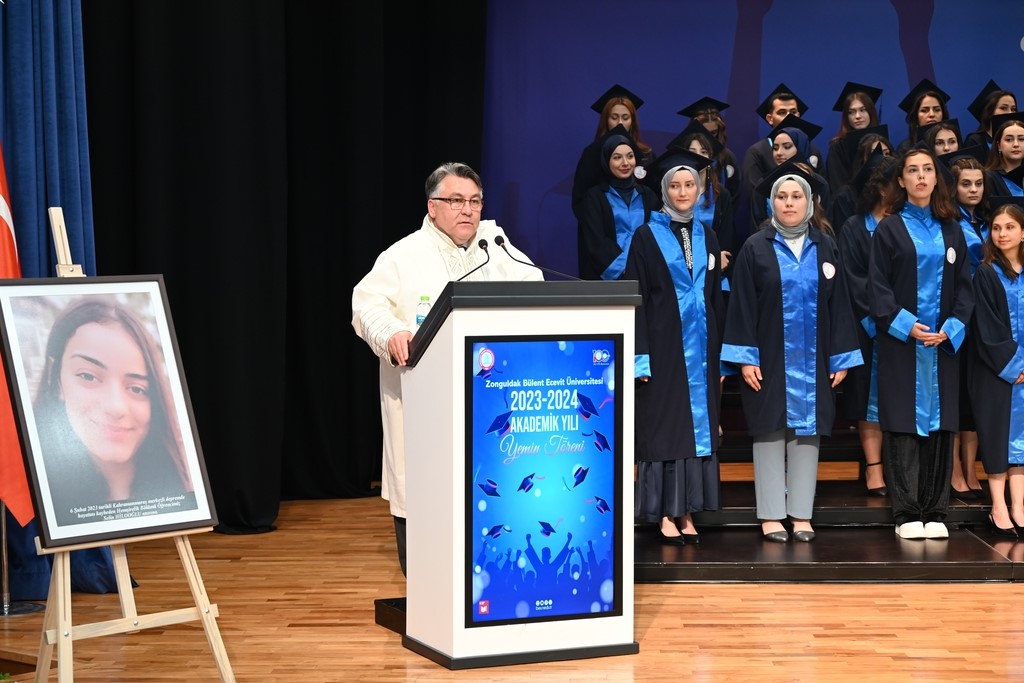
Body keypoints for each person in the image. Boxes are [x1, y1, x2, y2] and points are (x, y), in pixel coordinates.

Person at [351, 162, 543, 576]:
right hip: (426, 408)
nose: (467, 210)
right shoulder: (403, 256)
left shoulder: (496, 247)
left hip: (490, 407)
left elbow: (538, 287)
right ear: (432, 206)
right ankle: (425, 594)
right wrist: (393, 334)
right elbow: (366, 305)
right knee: (424, 500)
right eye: (456, 201)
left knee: (490, 502)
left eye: (474, 201)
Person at [722, 161, 862, 543]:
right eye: (781, 197)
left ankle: (801, 513)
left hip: (813, 356)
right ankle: (770, 514)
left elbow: (840, 305)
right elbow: (742, 306)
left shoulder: (825, 245)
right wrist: (746, 357)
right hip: (768, 355)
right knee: (768, 430)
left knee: (807, 432)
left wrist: (840, 357)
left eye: (796, 196)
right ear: (771, 203)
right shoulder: (755, 247)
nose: (789, 203)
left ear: (810, 202)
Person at [868, 144, 974, 540]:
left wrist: (953, 327)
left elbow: (966, 287)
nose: (921, 176)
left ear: (937, 177)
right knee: (903, 425)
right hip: (903, 345)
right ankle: (906, 511)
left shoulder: (953, 228)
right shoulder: (889, 228)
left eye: (928, 169)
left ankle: (936, 509)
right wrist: (905, 324)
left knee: (942, 426)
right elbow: (876, 289)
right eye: (912, 170)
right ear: (901, 180)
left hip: (941, 345)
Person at [625, 148, 725, 545]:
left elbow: (716, 297)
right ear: (664, 190)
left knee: (695, 428)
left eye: (689, 185)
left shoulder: (709, 235)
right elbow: (636, 299)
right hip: (663, 347)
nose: (683, 191)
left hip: (701, 348)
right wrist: (640, 355)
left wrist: (718, 352)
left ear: (700, 190)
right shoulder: (646, 236)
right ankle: (665, 512)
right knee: (666, 428)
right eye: (675, 185)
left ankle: (686, 510)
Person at [32, 297, 194, 526]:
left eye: (137, 389)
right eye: (88, 376)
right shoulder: (39, 492)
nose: (116, 407)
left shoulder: (184, 483)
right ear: (55, 377)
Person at [838, 152, 899, 497]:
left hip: (902, 327)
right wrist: (877, 320)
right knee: (866, 397)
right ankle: (874, 467)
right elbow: (853, 278)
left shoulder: (903, 222)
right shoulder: (854, 226)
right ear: (880, 188)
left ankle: (897, 466)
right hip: (867, 327)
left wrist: (900, 319)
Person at [967, 198, 1024, 536]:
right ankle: (998, 505)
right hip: (995, 371)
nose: (1002, 234)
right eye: (996, 228)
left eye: (1010, 227)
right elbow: (988, 329)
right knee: (998, 437)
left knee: (1022, 439)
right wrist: (1015, 365)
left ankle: (1019, 504)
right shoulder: (986, 273)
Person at [945, 149, 993, 500]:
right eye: (966, 184)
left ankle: (971, 467)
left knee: (976, 396)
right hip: (960, 312)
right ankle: (955, 470)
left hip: (989, 314)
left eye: (978, 183)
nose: (973, 189)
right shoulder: (950, 223)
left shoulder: (991, 219)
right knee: (958, 393)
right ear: (954, 187)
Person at [577, 125, 660, 280]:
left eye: (630, 156)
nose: (625, 163)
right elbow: (596, 241)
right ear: (606, 161)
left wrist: (646, 267)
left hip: (647, 277)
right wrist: (627, 267)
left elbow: (658, 235)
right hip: (609, 279)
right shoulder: (595, 197)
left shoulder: (648, 195)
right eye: (617, 157)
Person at [571, 84, 654, 220]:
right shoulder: (592, 154)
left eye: (625, 118)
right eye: (614, 117)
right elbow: (581, 200)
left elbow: (654, 197)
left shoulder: (646, 154)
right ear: (606, 120)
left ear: (633, 121)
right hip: (602, 229)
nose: (620, 123)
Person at [741, 83, 823, 209]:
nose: (789, 116)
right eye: (782, 112)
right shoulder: (756, 152)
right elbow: (754, 197)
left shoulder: (812, 150)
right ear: (770, 118)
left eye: (793, 112)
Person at [749, 115, 827, 229]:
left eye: (787, 146)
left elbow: (825, 218)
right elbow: (756, 223)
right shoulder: (764, 182)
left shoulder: (819, 182)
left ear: (801, 147)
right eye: (775, 148)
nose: (779, 153)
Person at [677, 96, 742, 212]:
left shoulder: (727, 157)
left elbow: (734, 194)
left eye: (713, 133)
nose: (708, 138)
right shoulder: (682, 156)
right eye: (704, 132)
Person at [829, 127, 893, 232]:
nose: (883, 159)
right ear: (862, 159)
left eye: (886, 153)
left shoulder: (897, 190)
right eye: (875, 154)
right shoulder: (846, 195)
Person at [826, 82, 883, 196]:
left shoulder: (882, 142)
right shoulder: (838, 147)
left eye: (863, 110)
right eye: (851, 112)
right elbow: (838, 187)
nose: (857, 116)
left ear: (871, 112)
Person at [895, 78, 951, 155]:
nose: (932, 114)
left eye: (937, 110)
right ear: (915, 116)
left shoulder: (953, 143)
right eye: (924, 110)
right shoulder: (906, 148)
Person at [964, 80, 1018, 151]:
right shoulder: (975, 140)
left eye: (1013, 109)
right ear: (989, 111)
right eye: (1003, 108)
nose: (1010, 113)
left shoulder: (1019, 140)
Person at [985, 113, 1024, 198]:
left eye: (1021, 139)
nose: (1016, 144)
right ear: (999, 145)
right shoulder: (988, 178)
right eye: (1009, 139)